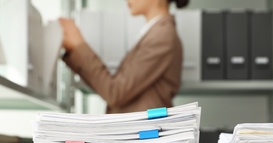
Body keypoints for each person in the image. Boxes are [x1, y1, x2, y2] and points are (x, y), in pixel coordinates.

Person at [59, 0, 189, 114]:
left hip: (145, 136)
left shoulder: (162, 36)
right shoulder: (155, 33)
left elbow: (115, 92)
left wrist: (78, 45)